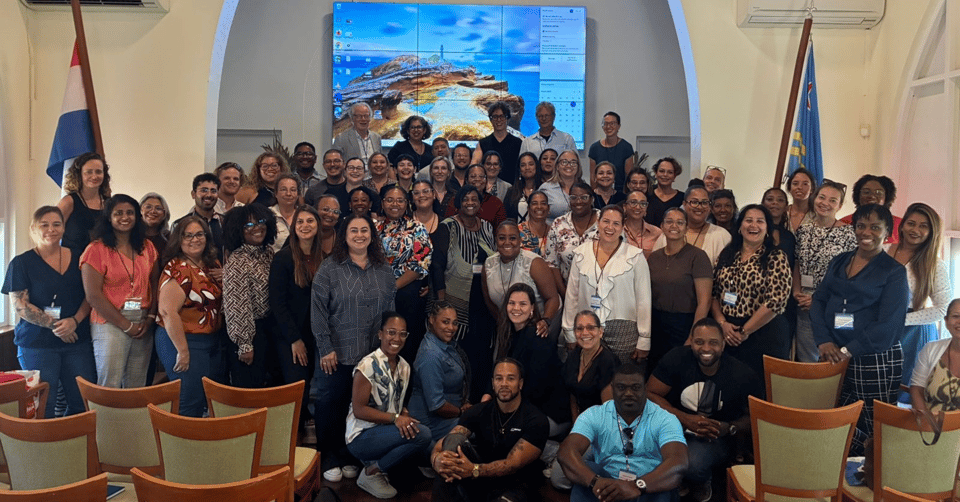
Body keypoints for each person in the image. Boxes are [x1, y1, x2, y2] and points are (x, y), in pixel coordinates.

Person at [811, 204, 908, 456]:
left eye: (875, 227)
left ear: (887, 233)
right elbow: (819, 300)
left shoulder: (894, 272)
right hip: (833, 354)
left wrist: (847, 350)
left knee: (872, 426)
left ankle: (871, 483)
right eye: (861, 226)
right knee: (838, 418)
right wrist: (823, 341)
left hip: (873, 359)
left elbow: (888, 326)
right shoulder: (840, 261)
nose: (867, 232)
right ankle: (842, 479)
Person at [312, 213, 396, 482]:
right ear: (344, 236)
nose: (359, 235)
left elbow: (390, 312)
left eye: (364, 230)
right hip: (337, 352)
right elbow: (317, 311)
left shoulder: (384, 269)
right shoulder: (330, 267)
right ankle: (329, 454)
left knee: (359, 407)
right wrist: (325, 347)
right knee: (331, 404)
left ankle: (350, 454)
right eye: (353, 231)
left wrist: (388, 351)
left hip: (371, 356)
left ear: (372, 235)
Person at [647, 318, 760, 502]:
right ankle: (677, 478)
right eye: (699, 342)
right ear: (691, 342)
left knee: (693, 463)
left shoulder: (742, 374)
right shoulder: (676, 358)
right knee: (644, 450)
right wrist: (684, 418)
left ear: (723, 345)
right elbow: (650, 394)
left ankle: (699, 479)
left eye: (713, 343)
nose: (706, 349)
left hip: (715, 437)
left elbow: (756, 418)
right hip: (675, 428)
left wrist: (728, 427)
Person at [2, 206, 96, 417]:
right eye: (44, 224)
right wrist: (56, 326)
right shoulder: (21, 263)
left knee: (82, 402)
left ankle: (75, 446)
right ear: (34, 228)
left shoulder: (80, 258)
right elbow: (20, 305)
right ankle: (47, 448)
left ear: (64, 228)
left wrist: (75, 320)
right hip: (37, 344)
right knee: (44, 404)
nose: (51, 229)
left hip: (76, 342)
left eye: (56, 224)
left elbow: (91, 295)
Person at [558, 363, 688, 502]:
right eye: (621, 387)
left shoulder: (665, 419)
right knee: (587, 473)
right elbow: (566, 452)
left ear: (645, 389)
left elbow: (678, 461)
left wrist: (637, 486)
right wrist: (595, 481)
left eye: (635, 388)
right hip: (606, 484)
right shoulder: (594, 415)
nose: (628, 393)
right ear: (612, 389)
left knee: (665, 485)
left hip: (648, 485)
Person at [430, 358, 549, 502]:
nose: (504, 384)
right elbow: (445, 442)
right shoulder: (478, 411)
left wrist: (474, 470)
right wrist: (437, 460)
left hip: (516, 486)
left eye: (510, 378)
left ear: (521, 384)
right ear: (493, 383)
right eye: (499, 378)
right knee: (448, 457)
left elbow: (511, 465)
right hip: (480, 480)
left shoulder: (536, 420)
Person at [346, 312, 431, 499]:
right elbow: (359, 410)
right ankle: (371, 473)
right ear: (380, 334)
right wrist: (396, 419)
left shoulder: (405, 367)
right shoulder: (367, 365)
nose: (397, 338)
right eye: (391, 332)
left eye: (402, 334)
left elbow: (398, 403)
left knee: (422, 436)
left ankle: (377, 465)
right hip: (361, 436)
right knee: (423, 434)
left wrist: (405, 415)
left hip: (386, 431)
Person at [80, 194, 159, 389]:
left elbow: (155, 283)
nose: (125, 217)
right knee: (110, 384)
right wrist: (125, 325)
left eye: (130, 213)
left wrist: (149, 318)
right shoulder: (96, 249)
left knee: (136, 385)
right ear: (109, 217)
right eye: (119, 213)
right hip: (110, 321)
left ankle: (130, 421)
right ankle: (107, 421)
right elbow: (93, 296)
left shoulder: (147, 247)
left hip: (142, 322)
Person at [494, 284, 570, 477]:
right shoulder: (510, 334)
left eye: (522, 304)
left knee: (505, 427)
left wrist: (507, 411)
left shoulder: (537, 336)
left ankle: (554, 453)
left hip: (552, 413)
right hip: (533, 406)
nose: (516, 308)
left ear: (532, 309)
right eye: (511, 303)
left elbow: (537, 388)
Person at [711, 204, 792, 378]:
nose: (753, 225)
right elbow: (713, 293)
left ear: (767, 229)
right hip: (727, 331)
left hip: (763, 331)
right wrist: (722, 323)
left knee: (760, 388)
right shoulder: (727, 253)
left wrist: (744, 331)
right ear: (740, 226)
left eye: (759, 221)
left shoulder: (776, 257)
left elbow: (776, 301)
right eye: (748, 220)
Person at [563, 205, 651, 363]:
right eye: (606, 221)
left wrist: (644, 338)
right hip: (586, 327)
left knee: (621, 380)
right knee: (588, 380)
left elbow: (644, 300)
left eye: (616, 223)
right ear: (598, 222)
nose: (610, 227)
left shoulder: (635, 256)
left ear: (623, 226)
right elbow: (572, 296)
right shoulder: (581, 253)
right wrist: (569, 330)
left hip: (624, 329)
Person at [155, 216, 224, 417]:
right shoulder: (177, 268)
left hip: (210, 340)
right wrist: (183, 351)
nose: (195, 239)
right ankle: (182, 447)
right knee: (188, 400)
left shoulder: (211, 264)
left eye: (199, 234)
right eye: (188, 235)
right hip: (182, 340)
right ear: (179, 239)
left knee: (203, 400)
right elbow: (168, 312)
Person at [437, 185, 498, 401]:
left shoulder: (489, 228)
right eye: (466, 199)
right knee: (462, 349)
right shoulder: (448, 227)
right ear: (458, 203)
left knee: (483, 350)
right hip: (457, 300)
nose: (470, 202)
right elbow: (438, 265)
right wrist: (441, 301)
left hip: (484, 299)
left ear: (480, 204)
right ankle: (462, 400)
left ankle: (482, 396)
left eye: (475, 199)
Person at [269, 206, 326, 432]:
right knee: (296, 385)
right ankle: (292, 438)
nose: (305, 226)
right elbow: (277, 303)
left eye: (310, 221)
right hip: (289, 335)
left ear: (318, 226)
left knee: (308, 383)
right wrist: (294, 339)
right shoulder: (283, 258)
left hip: (314, 334)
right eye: (300, 222)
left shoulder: (325, 258)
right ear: (294, 228)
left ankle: (301, 426)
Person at [886, 203, 950, 391]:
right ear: (902, 224)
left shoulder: (934, 265)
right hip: (881, 326)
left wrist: (900, 320)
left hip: (914, 332)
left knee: (908, 391)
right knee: (882, 388)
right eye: (911, 223)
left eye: (923, 226)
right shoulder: (883, 251)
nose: (915, 230)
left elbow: (943, 308)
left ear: (931, 232)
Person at [793, 180, 857, 362]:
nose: (825, 203)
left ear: (840, 206)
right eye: (822, 197)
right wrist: (796, 292)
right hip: (804, 305)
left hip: (834, 306)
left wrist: (818, 300)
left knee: (833, 361)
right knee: (808, 362)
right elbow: (798, 262)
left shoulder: (849, 233)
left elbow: (851, 274)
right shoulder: (803, 231)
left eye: (832, 200)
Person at [647, 207, 713, 371]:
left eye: (679, 222)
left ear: (687, 228)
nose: (674, 226)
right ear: (662, 226)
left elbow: (704, 302)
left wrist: (693, 336)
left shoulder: (698, 256)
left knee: (678, 373)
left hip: (684, 325)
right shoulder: (654, 257)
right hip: (656, 324)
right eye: (669, 222)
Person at [221, 203, 277, 388]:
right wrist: (245, 344)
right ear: (238, 229)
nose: (257, 228)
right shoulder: (237, 261)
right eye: (248, 225)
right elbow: (237, 306)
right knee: (249, 388)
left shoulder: (268, 253)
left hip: (269, 328)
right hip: (249, 333)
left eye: (260, 222)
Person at [378, 185, 433, 361]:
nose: (395, 204)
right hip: (377, 295)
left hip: (407, 295)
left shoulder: (416, 227)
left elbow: (420, 263)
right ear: (382, 203)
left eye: (400, 200)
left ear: (407, 203)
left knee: (406, 346)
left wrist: (393, 287)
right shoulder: (373, 229)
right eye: (390, 199)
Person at [482, 221, 561, 337]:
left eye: (512, 238)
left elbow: (553, 298)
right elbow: (489, 300)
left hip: (539, 327)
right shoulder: (488, 264)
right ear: (496, 240)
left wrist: (545, 321)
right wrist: (505, 324)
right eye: (502, 238)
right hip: (508, 329)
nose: (507, 242)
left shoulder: (535, 263)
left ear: (520, 241)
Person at [409, 301, 471, 443]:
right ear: (432, 320)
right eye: (445, 322)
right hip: (431, 422)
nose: (451, 328)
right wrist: (463, 413)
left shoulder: (444, 344)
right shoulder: (430, 355)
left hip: (451, 412)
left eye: (454, 323)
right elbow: (437, 406)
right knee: (479, 427)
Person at [563, 310, 621, 423]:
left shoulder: (608, 362)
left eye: (590, 328)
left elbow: (609, 411)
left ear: (600, 332)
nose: (585, 333)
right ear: (574, 332)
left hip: (603, 423)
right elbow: (572, 394)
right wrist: (576, 425)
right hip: (580, 420)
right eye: (579, 328)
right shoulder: (574, 355)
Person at [544, 181, 599, 297]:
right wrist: (566, 295)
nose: (578, 201)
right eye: (573, 197)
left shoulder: (605, 221)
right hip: (567, 290)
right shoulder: (558, 224)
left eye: (584, 197)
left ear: (592, 199)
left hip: (601, 292)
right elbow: (552, 263)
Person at [652, 186, 731, 266]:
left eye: (704, 203)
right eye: (694, 202)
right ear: (684, 204)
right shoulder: (670, 233)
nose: (699, 207)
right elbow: (655, 265)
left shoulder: (722, 235)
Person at [910, 299, 960, 414]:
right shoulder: (930, 349)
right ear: (946, 321)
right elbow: (916, 389)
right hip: (930, 425)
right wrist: (926, 422)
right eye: (956, 316)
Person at [58, 152, 110, 255]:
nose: (94, 176)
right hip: (71, 265)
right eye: (89, 172)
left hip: (101, 265)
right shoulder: (68, 202)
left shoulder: (109, 203)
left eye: (98, 172)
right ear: (79, 174)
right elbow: (51, 233)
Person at [174, 173, 225, 261]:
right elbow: (174, 255)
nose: (209, 195)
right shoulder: (179, 224)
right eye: (204, 190)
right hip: (189, 273)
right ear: (193, 194)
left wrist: (225, 271)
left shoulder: (225, 222)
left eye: (213, 191)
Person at [840, 174, 902, 244]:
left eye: (878, 192)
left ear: (887, 197)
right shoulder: (843, 223)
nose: (872, 196)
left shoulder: (900, 225)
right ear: (858, 195)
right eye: (866, 192)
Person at [472, 102, 523, 183]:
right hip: (488, 191)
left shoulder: (518, 143)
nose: (499, 120)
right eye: (495, 117)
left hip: (512, 190)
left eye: (502, 116)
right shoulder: (483, 143)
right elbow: (473, 166)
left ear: (507, 118)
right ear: (490, 120)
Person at [443, 165, 507, 228]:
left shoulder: (495, 203)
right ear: (466, 180)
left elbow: (501, 229)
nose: (477, 179)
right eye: (473, 176)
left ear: (486, 180)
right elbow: (448, 226)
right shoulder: (455, 200)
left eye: (481, 176)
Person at [589, 112, 635, 190]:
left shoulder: (626, 147)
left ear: (618, 126)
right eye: (605, 124)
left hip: (621, 194)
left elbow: (629, 177)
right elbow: (593, 177)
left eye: (612, 123)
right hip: (600, 193)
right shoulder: (594, 148)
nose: (608, 126)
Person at [540, 150, 584, 220]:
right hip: (551, 229)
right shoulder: (546, 189)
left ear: (578, 167)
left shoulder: (584, 188)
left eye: (573, 162)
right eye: (564, 162)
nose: (569, 165)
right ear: (557, 166)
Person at [503, 152, 543, 222]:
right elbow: (506, 217)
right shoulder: (512, 191)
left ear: (536, 166)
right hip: (516, 231)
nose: (527, 168)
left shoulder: (544, 189)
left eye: (531, 164)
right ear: (519, 170)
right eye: (523, 165)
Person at [645, 157, 684, 227]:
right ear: (656, 173)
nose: (665, 175)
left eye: (670, 172)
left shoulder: (683, 198)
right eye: (662, 171)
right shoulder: (646, 196)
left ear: (674, 176)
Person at [622, 190, 661, 258]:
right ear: (624, 207)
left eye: (643, 204)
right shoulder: (617, 229)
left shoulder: (657, 233)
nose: (638, 207)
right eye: (633, 202)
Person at [268, 173, 299, 253]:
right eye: (283, 189)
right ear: (276, 194)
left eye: (293, 190)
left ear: (298, 194)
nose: (288, 194)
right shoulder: (267, 215)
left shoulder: (304, 215)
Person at [517, 191, 550, 257]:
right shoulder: (517, 231)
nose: (539, 207)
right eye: (535, 203)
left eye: (543, 203)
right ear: (528, 208)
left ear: (548, 208)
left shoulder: (554, 232)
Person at [785, 168, 816, 232]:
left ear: (812, 189)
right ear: (789, 188)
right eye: (795, 183)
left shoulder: (817, 216)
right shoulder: (783, 213)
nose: (799, 187)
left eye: (805, 184)